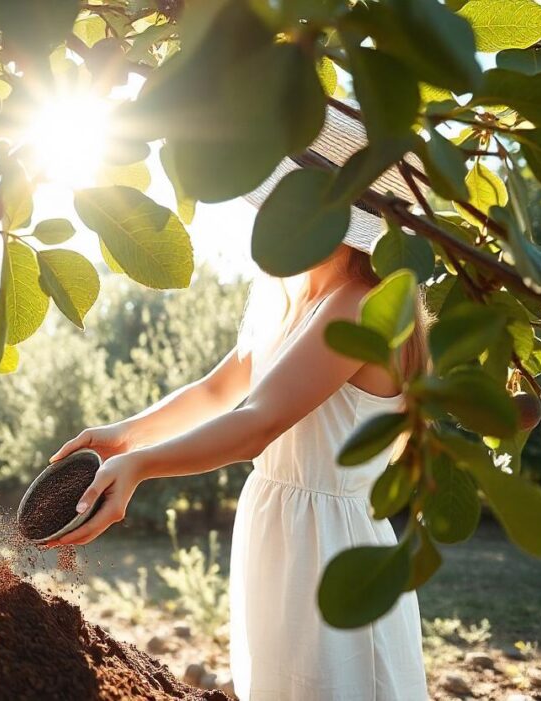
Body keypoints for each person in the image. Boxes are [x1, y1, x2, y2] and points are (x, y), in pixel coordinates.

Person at [47, 105, 431, 699]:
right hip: (279, 528)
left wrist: (143, 467)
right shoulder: (287, 292)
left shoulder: (364, 304)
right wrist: (127, 435)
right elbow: (219, 389)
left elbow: (258, 422)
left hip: (332, 546)